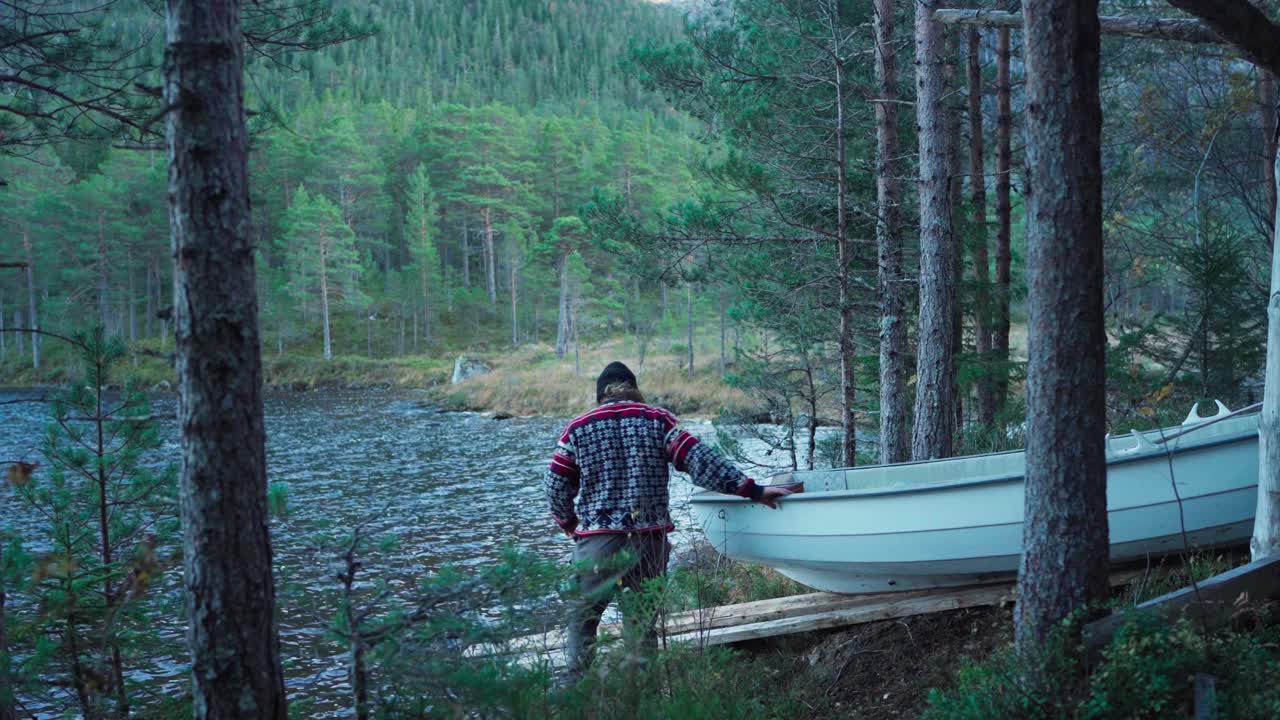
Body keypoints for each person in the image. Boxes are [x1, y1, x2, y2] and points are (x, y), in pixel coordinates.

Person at [543, 361, 791, 679]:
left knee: (583, 619)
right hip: (649, 543)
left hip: (597, 545)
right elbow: (701, 460)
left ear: (599, 396)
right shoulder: (657, 420)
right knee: (642, 625)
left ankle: (575, 694)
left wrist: (569, 525)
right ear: (634, 388)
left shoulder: (577, 429)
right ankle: (643, 698)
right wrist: (753, 490)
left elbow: (555, 487)